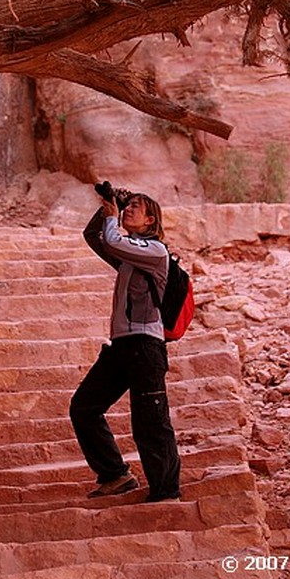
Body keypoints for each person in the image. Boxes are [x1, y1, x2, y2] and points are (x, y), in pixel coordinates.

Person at [69, 188, 182, 502]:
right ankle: (115, 476)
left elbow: (114, 240)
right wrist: (109, 208)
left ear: (150, 220)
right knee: (84, 408)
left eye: (136, 206)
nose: (129, 209)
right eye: (127, 205)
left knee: (151, 421)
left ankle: (166, 492)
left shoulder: (155, 252)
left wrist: (112, 216)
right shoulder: (130, 258)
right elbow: (95, 235)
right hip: (122, 348)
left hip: (145, 347)